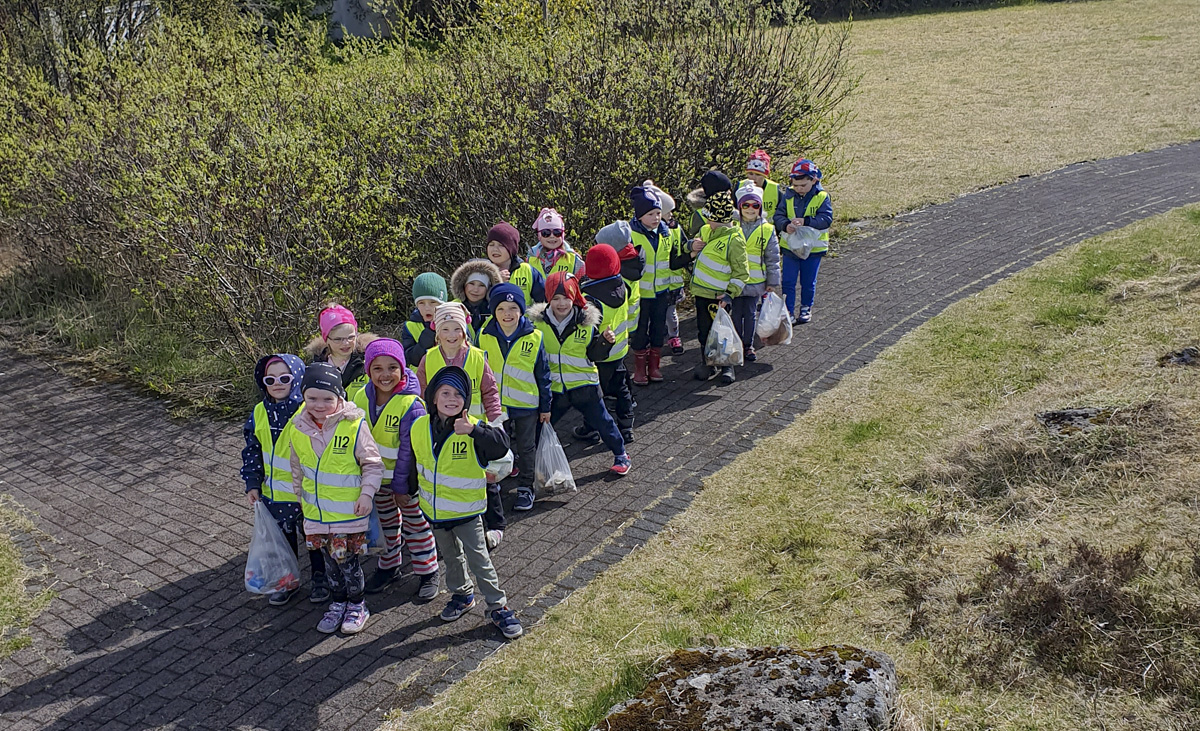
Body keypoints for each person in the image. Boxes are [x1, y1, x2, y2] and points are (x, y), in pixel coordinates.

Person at [409, 365, 523, 640]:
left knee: (479, 561)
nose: (451, 399)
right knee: (451, 557)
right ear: (433, 398)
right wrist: (409, 490)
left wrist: (474, 430)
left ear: (466, 400)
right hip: (435, 513)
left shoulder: (474, 427)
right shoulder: (419, 426)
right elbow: (416, 463)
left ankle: (498, 606)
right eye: (444, 392)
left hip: (468, 513)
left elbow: (501, 444)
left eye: (458, 394)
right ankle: (462, 595)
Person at [288, 363, 384, 635]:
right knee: (329, 564)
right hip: (317, 514)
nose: (320, 405)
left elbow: (373, 464)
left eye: (328, 399)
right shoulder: (297, 427)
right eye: (312, 398)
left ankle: (357, 604)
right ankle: (337, 602)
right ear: (303, 397)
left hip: (347, 514)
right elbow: (297, 469)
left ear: (339, 397)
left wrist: (367, 494)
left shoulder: (353, 424)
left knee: (347, 562)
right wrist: (301, 500)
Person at [351, 338, 440, 600]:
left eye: (392, 367)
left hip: (405, 483)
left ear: (402, 369)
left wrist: (402, 487)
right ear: (368, 370)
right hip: (375, 481)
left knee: (415, 524)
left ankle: (428, 571)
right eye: (377, 368)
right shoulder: (359, 397)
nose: (385, 375)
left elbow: (409, 452)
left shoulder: (411, 404)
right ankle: (389, 567)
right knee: (386, 525)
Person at [415, 302, 508, 549]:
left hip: (474, 427)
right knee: (453, 477)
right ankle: (454, 523)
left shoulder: (477, 357)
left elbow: (490, 390)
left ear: (465, 330)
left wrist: (495, 420)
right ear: (437, 332)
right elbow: (422, 392)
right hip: (443, 429)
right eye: (445, 329)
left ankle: (496, 525)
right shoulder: (429, 359)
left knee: (486, 477)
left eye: (457, 329)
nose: (452, 335)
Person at [241, 354, 327, 605]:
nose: (277, 383)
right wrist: (253, 483)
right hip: (274, 495)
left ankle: (321, 577)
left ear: (297, 378)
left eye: (285, 377)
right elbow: (252, 452)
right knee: (282, 542)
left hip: (307, 494)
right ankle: (285, 579)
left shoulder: (309, 412)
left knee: (314, 539)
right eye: (270, 379)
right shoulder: (258, 413)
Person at [530, 272, 631, 476]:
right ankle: (528, 462)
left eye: (566, 298)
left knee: (604, 423)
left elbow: (595, 355)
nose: (561, 304)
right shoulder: (536, 324)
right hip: (555, 389)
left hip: (584, 386)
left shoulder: (586, 322)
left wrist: (604, 341)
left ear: (574, 297)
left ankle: (621, 454)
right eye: (556, 298)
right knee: (540, 427)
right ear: (548, 298)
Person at [477, 284, 553, 512]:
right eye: (501, 309)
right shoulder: (483, 334)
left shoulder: (535, 337)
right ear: (493, 311)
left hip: (526, 405)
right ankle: (495, 482)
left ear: (521, 310)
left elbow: (544, 375)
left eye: (513, 308)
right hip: (495, 405)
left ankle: (525, 488)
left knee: (526, 447)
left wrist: (545, 406)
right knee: (496, 445)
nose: (507, 314)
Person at [672, 187, 749, 385]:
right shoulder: (707, 230)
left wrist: (730, 294)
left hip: (720, 297)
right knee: (704, 331)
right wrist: (691, 246)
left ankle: (727, 366)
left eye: (710, 217)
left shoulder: (734, 240)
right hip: (701, 293)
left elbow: (741, 273)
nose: (707, 221)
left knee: (723, 332)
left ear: (720, 218)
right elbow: (689, 245)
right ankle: (708, 361)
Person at [579, 243, 635, 444]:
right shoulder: (623, 287)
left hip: (599, 353)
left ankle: (591, 428)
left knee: (594, 394)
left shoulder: (590, 298)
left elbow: (586, 330)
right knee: (621, 389)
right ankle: (626, 427)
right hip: (619, 351)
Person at [773, 158, 833, 325]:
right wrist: (785, 225)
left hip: (813, 249)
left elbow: (826, 219)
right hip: (790, 247)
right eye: (795, 185)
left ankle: (806, 307)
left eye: (803, 185)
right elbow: (778, 216)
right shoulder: (788, 196)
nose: (798, 189)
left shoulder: (822, 197)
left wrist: (806, 221)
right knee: (788, 281)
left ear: (813, 180)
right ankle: (788, 311)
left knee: (808, 281)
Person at [626, 183, 675, 385]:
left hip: (661, 292)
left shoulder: (666, 233)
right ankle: (639, 369)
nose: (655, 218)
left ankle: (654, 366)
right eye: (650, 214)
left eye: (657, 213)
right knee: (639, 331)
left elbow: (672, 259)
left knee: (657, 330)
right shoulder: (631, 234)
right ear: (639, 216)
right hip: (640, 294)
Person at [732, 180, 781, 362]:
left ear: (760, 207)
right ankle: (737, 342)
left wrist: (772, 281)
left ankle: (748, 345)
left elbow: (773, 258)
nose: (750, 209)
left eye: (755, 205)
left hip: (756, 280)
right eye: (746, 205)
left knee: (751, 313)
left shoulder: (767, 230)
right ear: (739, 206)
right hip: (735, 280)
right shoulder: (732, 226)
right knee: (736, 313)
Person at [643, 182, 687, 356]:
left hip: (672, 283)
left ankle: (674, 336)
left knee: (671, 313)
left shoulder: (675, 229)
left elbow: (683, 246)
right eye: (667, 213)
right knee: (653, 316)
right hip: (654, 285)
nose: (670, 217)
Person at [303, 303, 376, 402]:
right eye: (338, 339)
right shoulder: (316, 366)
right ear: (326, 339)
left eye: (351, 337)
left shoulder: (368, 362)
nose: (345, 343)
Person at [484, 221, 545, 305]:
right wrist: (495, 282)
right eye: (491, 244)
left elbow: (545, 300)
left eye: (501, 245)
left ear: (511, 248)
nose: (495, 249)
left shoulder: (527, 270)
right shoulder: (481, 271)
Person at [400, 272, 448, 369]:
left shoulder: (455, 322)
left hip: (448, 379)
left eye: (433, 302)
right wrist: (429, 333)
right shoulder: (410, 327)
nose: (427, 308)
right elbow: (412, 359)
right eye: (421, 303)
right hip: (421, 381)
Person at [450, 258, 503, 343]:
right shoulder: (453, 307)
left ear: (489, 289)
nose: (475, 290)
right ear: (463, 285)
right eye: (471, 284)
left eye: (481, 285)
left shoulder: (496, 309)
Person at [529, 208, 584, 279]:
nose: (552, 236)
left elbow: (583, 285)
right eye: (546, 233)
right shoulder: (531, 257)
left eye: (557, 232)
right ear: (539, 235)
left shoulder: (574, 260)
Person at [744, 149, 782, 223]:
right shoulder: (740, 187)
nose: (753, 178)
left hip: (769, 230)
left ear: (765, 176)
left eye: (758, 175)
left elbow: (781, 213)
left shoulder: (775, 189)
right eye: (750, 174)